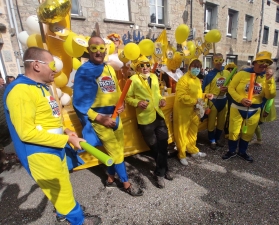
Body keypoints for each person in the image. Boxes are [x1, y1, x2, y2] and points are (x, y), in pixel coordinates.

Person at [3, 47, 102, 224]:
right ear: (36, 65)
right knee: (62, 191)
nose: (55, 70)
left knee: (62, 186)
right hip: (41, 154)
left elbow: (48, 118)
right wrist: (68, 139)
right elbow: (27, 133)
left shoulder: (41, 87)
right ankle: (79, 221)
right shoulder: (20, 91)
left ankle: (63, 213)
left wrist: (65, 131)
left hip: (55, 148)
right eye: (52, 64)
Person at [73, 36, 143, 196]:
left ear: (105, 49)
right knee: (117, 153)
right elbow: (79, 103)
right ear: (88, 50)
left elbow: (116, 90)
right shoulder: (84, 71)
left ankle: (110, 179)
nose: (98, 51)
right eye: (94, 48)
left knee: (118, 150)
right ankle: (126, 183)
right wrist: (99, 118)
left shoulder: (109, 68)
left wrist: (121, 103)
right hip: (100, 119)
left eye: (101, 48)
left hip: (115, 116)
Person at [125, 55, 173, 188]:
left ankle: (160, 173)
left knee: (163, 144)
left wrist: (161, 99)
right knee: (155, 147)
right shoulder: (133, 79)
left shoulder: (154, 77)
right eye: (142, 65)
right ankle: (165, 169)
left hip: (158, 115)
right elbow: (127, 98)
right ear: (137, 67)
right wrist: (137, 102)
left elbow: (156, 94)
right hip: (145, 119)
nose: (145, 68)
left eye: (147, 65)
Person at [222, 51, 276, 162]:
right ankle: (231, 151)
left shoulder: (267, 78)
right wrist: (240, 99)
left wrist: (269, 81)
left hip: (254, 110)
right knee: (233, 131)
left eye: (267, 63)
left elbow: (270, 95)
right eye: (261, 61)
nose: (264, 65)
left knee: (248, 133)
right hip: (237, 108)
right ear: (254, 63)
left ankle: (242, 152)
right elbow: (231, 88)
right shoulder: (242, 74)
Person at [173, 58, 213, 166]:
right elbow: (181, 97)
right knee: (182, 133)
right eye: (194, 67)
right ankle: (181, 154)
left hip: (195, 110)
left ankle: (193, 150)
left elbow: (198, 95)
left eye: (198, 67)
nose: (196, 69)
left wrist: (205, 95)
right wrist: (196, 101)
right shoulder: (183, 80)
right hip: (183, 111)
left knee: (193, 131)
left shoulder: (196, 80)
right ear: (189, 67)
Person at [202, 53, 231, 150]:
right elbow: (206, 90)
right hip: (213, 101)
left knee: (221, 122)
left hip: (223, 100)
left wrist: (227, 89)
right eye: (216, 61)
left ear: (223, 61)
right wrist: (206, 104)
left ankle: (218, 138)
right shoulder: (210, 75)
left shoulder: (227, 73)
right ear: (213, 62)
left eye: (220, 60)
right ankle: (212, 140)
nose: (218, 63)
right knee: (211, 122)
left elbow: (232, 86)